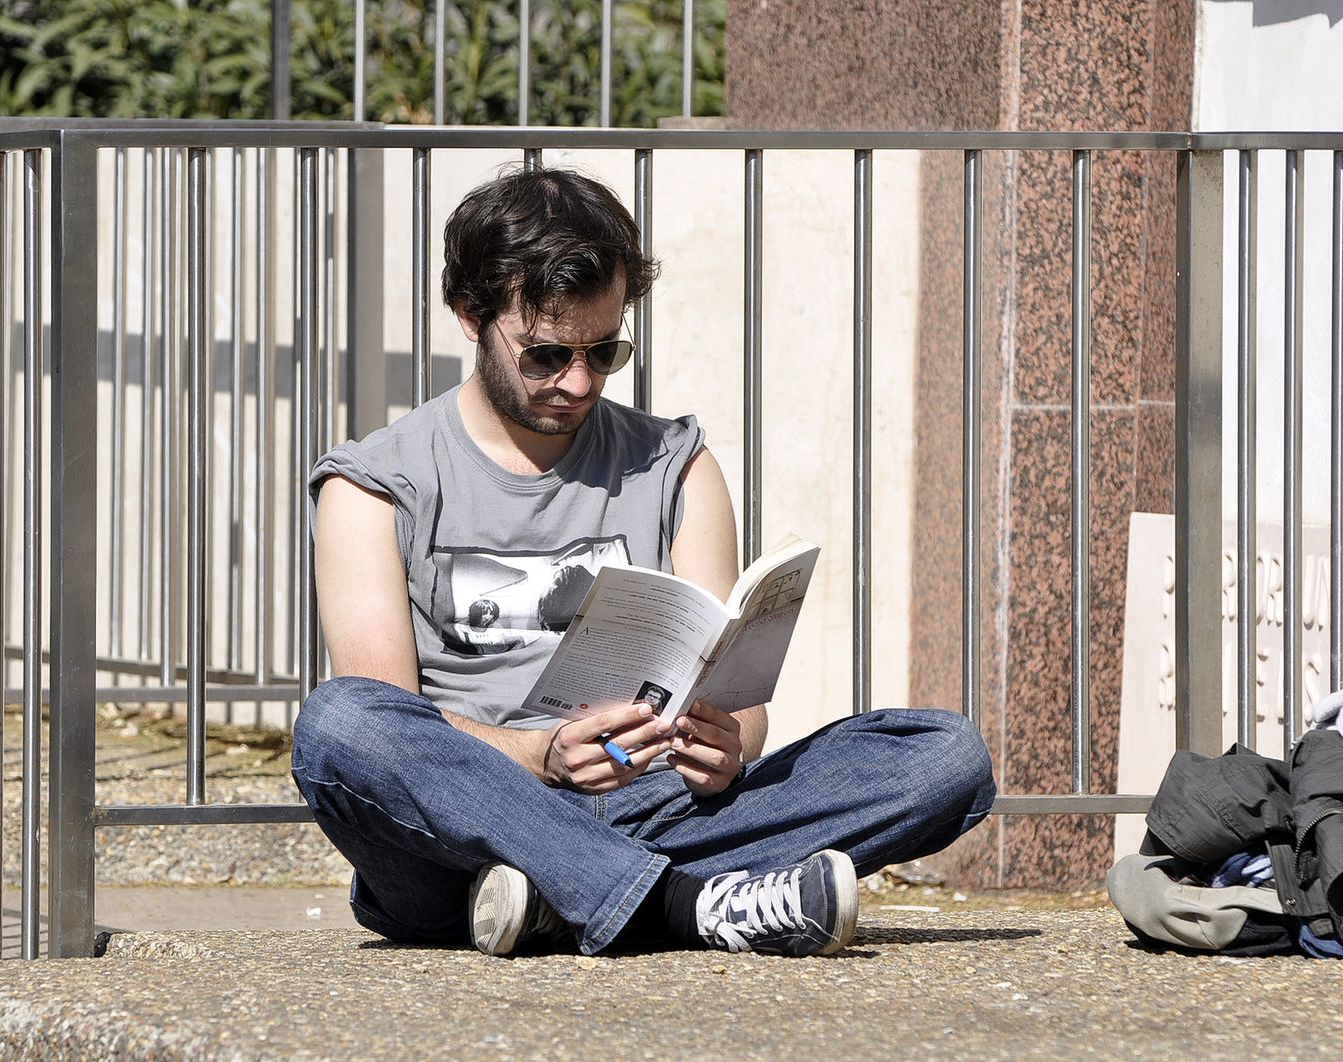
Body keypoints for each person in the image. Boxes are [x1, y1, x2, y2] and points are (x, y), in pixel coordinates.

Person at [292, 166, 996, 959]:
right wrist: (540, 754)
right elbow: (395, 727)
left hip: (657, 804)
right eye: (546, 354)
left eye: (604, 350)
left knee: (945, 756)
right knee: (337, 723)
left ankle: (569, 898)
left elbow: (733, 696)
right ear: (468, 315)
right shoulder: (373, 484)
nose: (579, 381)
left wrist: (728, 743)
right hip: (465, 839)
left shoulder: (674, 463)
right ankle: (688, 904)